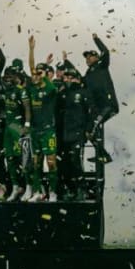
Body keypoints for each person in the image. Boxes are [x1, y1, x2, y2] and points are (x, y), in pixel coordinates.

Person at [83, 33, 119, 199]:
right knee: (88, 130)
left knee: (92, 127)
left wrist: (96, 40)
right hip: (97, 110)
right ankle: (102, 154)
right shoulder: (88, 74)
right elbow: (78, 81)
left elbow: (106, 52)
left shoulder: (102, 65)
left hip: (108, 106)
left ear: (96, 57)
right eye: (87, 57)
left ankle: (103, 155)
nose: (88, 59)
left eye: (91, 56)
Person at [24, 35, 59, 202]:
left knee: (51, 162)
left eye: (39, 73)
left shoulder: (51, 88)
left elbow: (42, 75)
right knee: (36, 163)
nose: (35, 75)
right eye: (34, 73)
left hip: (48, 131)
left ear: (45, 75)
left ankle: (53, 192)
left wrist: (45, 69)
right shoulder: (31, 87)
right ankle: (37, 191)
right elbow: (31, 67)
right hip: (35, 131)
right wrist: (31, 49)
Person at [57, 68, 93, 200]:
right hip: (64, 134)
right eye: (65, 77)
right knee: (65, 162)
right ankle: (71, 189)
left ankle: (82, 188)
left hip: (78, 133)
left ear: (75, 78)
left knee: (76, 161)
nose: (67, 79)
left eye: (70, 77)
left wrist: (88, 130)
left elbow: (91, 112)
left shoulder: (83, 93)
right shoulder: (62, 94)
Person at [0, 66, 32, 202]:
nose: (8, 78)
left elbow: (27, 108)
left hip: (17, 126)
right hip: (8, 126)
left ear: (16, 77)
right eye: (6, 75)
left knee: (24, 157)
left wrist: (27, 125)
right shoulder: (7, 91)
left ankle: (29, 186)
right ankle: (15, 187)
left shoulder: (21, 91)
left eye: (10, 76)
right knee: (10, 158)